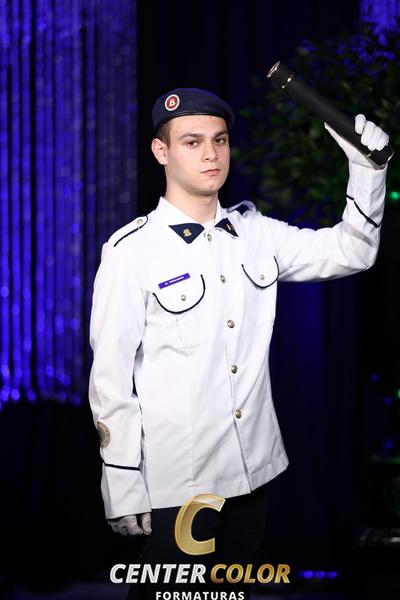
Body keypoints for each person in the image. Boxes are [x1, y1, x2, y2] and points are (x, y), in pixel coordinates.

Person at [88, 87, 390, 597]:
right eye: (192, 142)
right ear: (161, 151)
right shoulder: (131, 251)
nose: (211, 154)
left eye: (220, 140)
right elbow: (110, 380)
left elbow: (352, 251)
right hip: (180, 485)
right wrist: (121, 483)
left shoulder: (255, 233)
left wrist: (368, 171)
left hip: (253, 474)